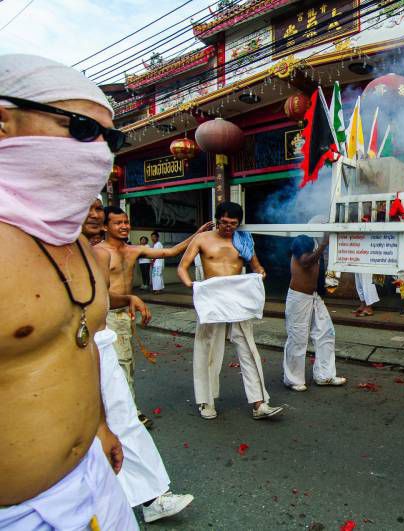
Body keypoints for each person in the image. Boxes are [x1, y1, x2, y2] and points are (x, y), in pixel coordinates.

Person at [0, 53, 136, 529]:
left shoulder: (76, 242)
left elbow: (83, 347)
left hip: (93, 476)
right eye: (81, 129)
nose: (99, 152)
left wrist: (98, 424)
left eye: (110, 139)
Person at [83, 198, 195, 523]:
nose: (93, 213)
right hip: (73, 353)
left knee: (124, 420)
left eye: (97, 207)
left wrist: (129, 297)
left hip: (101, 342)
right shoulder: (60, 251)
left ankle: (151, 499)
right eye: (86, 205)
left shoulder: (95, 255)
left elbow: (99, 299)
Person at [98, 206, 211, 427]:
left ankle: (118, 412)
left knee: (124, 364)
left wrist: (197, 234)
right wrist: (131, 298)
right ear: (105, 227)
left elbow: (171, 252)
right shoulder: (98, 253)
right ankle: (129, 414)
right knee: (119, 365)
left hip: (124, 315)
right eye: (118, 223)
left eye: (126, 222)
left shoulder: (134, 250)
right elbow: (99, 292)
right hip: (106, 316)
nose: (124, 226)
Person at [178, 201, 285, 420]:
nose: (228, 227)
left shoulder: (243, 240)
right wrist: (191, 285)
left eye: (233, 223)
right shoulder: (202, 239)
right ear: (217, 220)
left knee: (248, 348)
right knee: (207, 349)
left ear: (238, 223)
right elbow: (182, 267)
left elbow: (257, 266)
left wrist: (261, 274)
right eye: (224, 222)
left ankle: (259, 403)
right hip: (212, 298)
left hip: (238, 298)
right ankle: (206, 401)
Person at [283, 234, 347, 392]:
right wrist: (324, 245)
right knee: (297, 338)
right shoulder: (302, 240)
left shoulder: (318, 244)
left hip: (314, 297)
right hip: (299, 298)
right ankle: (293, 380)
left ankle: (325, 375)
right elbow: (305, 262)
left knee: (326, 333)